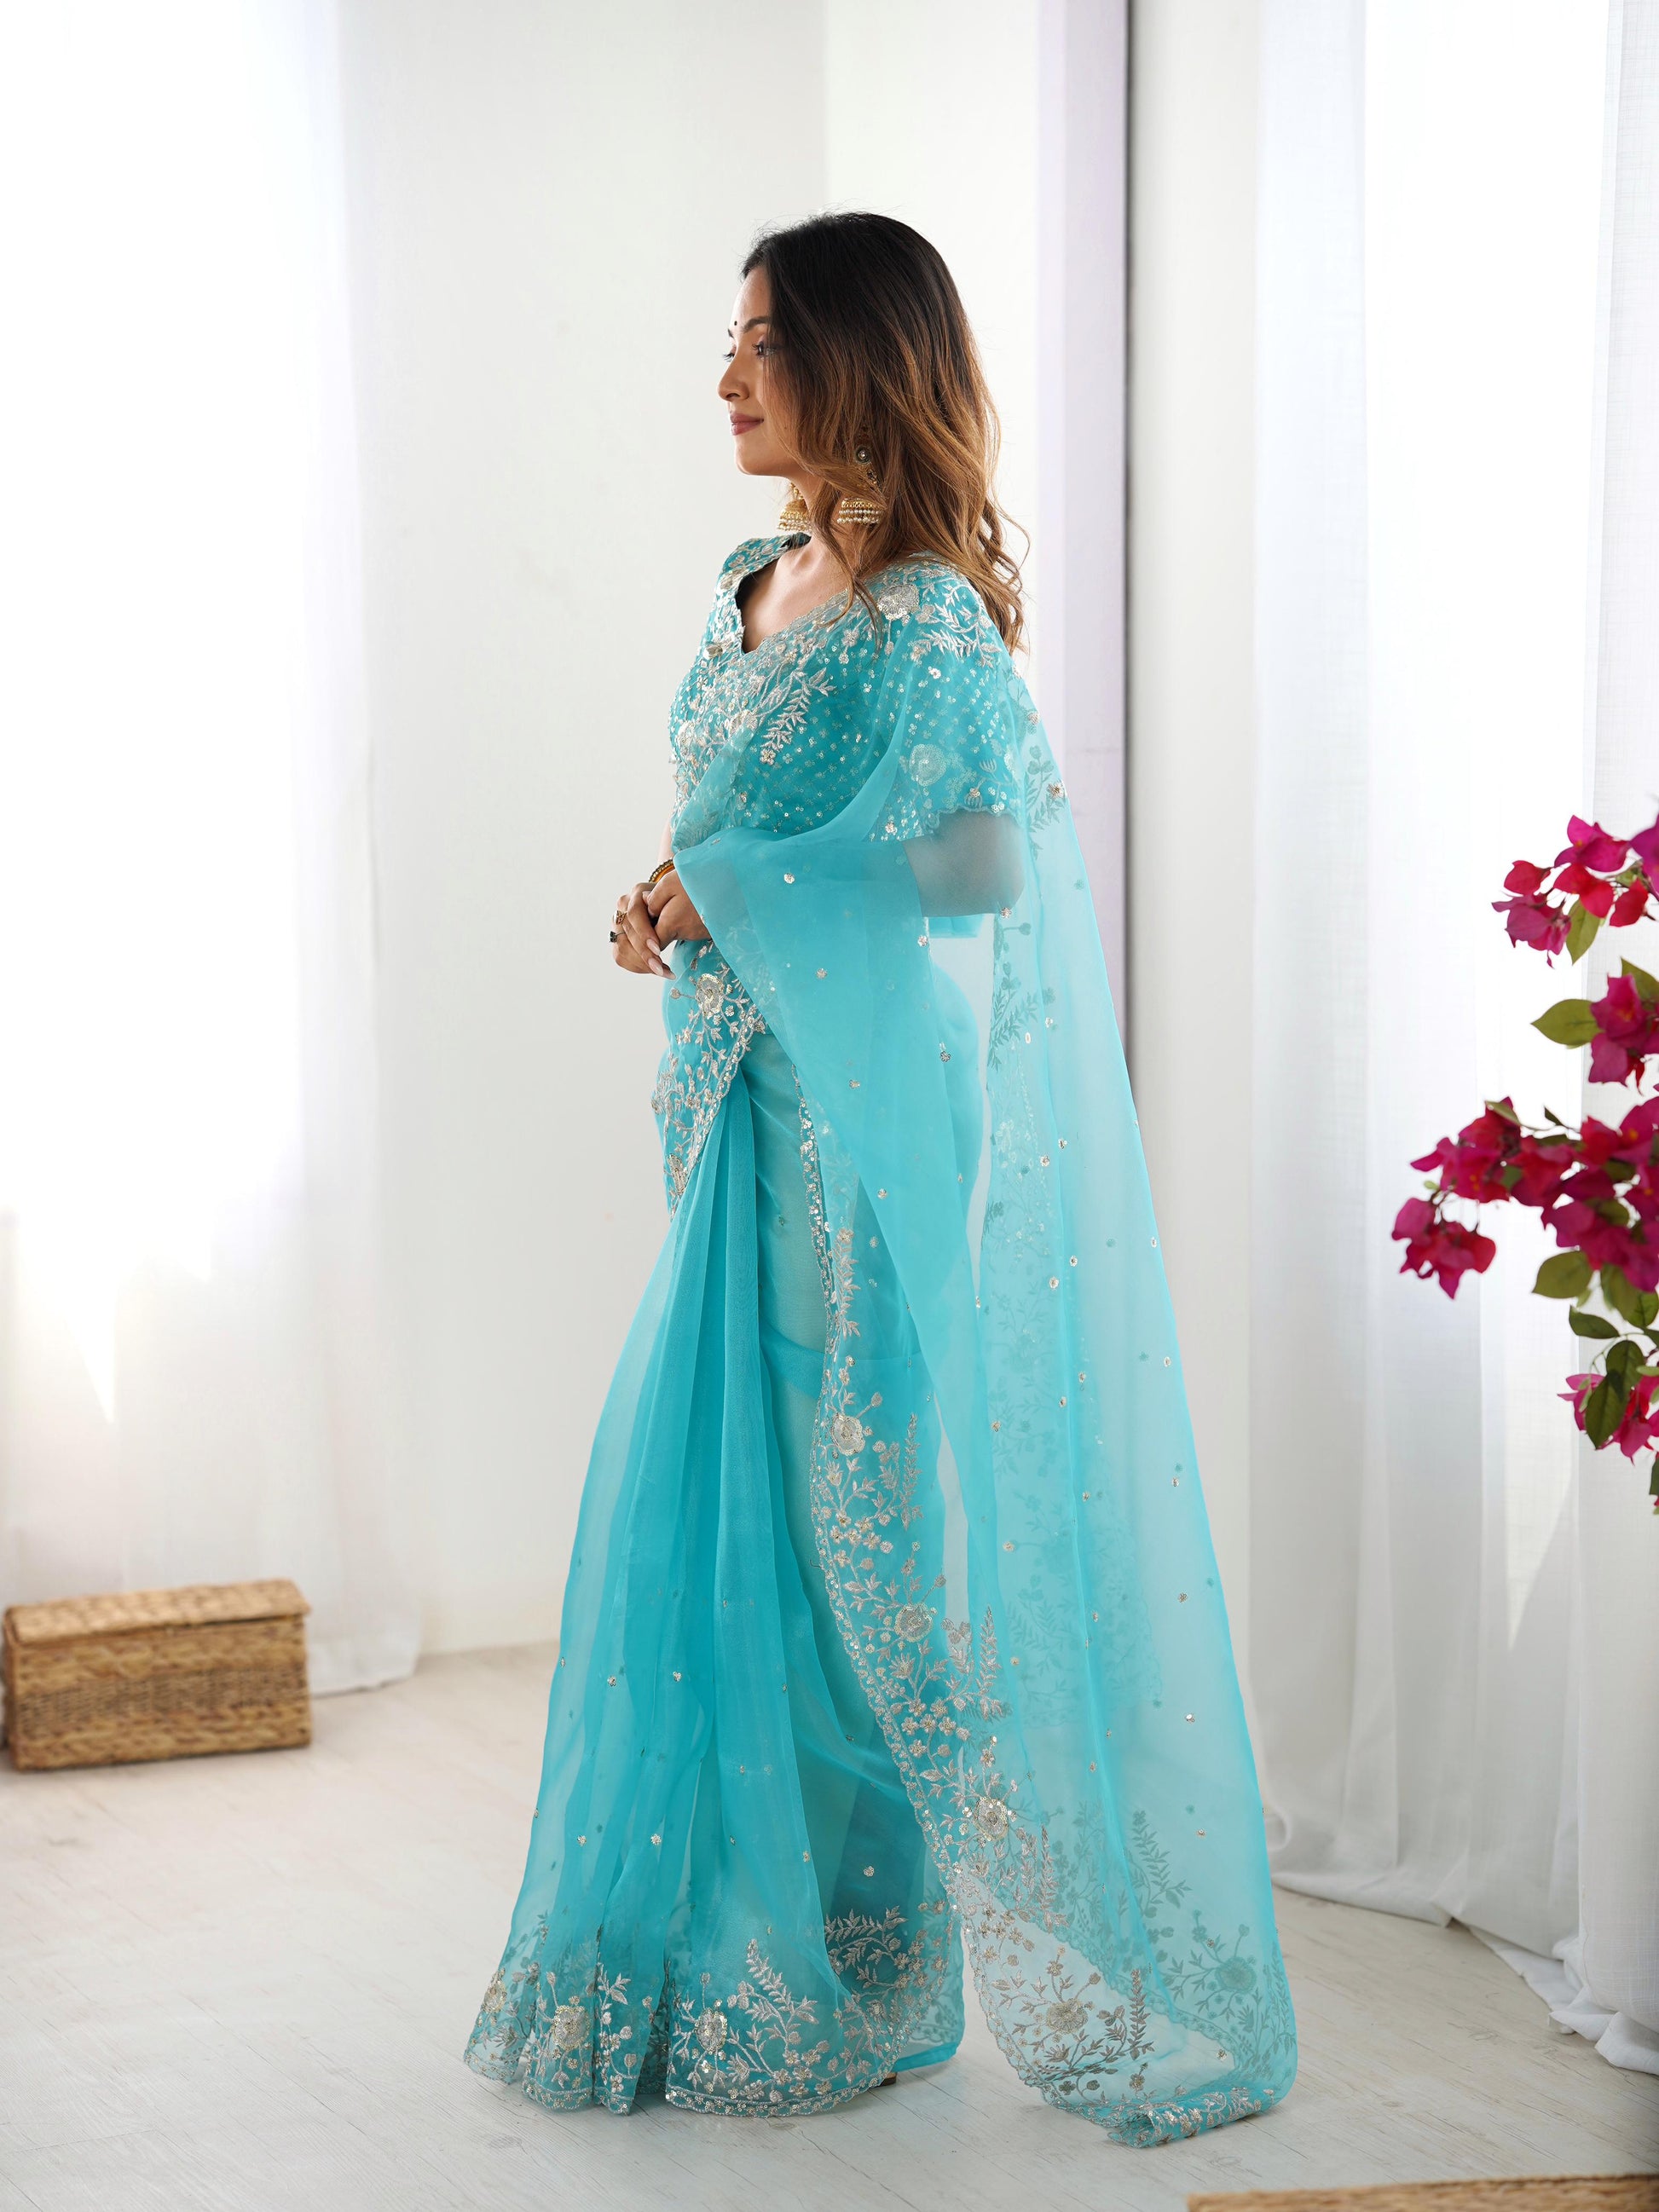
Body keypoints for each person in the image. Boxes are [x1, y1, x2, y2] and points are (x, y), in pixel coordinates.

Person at [463, 211, 1298, 2145]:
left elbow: (983, 869)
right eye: (731, 338)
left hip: (857, 1113)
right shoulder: (752, 579)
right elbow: (743, 818)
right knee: (724, 1495)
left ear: (856, 354)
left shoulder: (924, 612)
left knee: (850, 1519)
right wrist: (674, 894)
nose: (725, 375)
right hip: (735, 1092)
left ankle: (858, 1939)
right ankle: (737, 1934)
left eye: (759, 339)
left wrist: (736, 886)